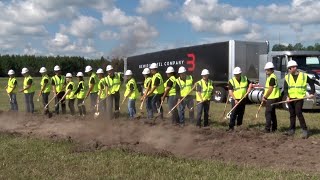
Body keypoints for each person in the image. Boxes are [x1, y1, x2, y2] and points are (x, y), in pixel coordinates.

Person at [284, 60, 315, 139]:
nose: (289, 70)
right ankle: (291, 129)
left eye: (290, 68)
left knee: (298, 112)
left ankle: (304, 130)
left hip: (299, 97)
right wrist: (287, 96)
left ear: (294, 68)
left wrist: (312, 92)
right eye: (288, 69)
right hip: (291, 98)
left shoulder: (303, 76)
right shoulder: (287, 77)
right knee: (292, 114)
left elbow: (311, 83)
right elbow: (286, 88)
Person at [227, 67, 252, 131]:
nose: (236, 76)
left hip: (243, 99)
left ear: (240, 73)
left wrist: (249, 89)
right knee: (234, 113)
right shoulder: (231, 81)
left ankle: (239, 126)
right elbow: (230, 92)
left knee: (241, 113)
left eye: (238, 74)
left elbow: (250, 84)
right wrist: (235, 99)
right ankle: (231, 127)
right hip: (235, 99)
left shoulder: (245, 78)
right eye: (235, 74)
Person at [262, 62, 280, 133]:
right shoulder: (271, 77)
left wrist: (265, 97)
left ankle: (267, 128)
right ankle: (274, 128)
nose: (266, 71)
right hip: (272, 97)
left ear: (271, 70)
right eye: (266, 70)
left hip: (271, 98)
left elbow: (270, 89)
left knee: (268, 113)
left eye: (267, 70)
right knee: (272, 113)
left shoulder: (272, 77)